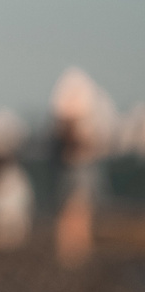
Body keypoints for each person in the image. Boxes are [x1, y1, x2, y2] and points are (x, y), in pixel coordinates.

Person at [49, 66, 116, 266]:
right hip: (76, 162)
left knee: (79, 206)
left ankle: (75, 251)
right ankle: (73, 252)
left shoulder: (79, 97)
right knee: (74, 206)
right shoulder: (78, 97)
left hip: (80, 162)